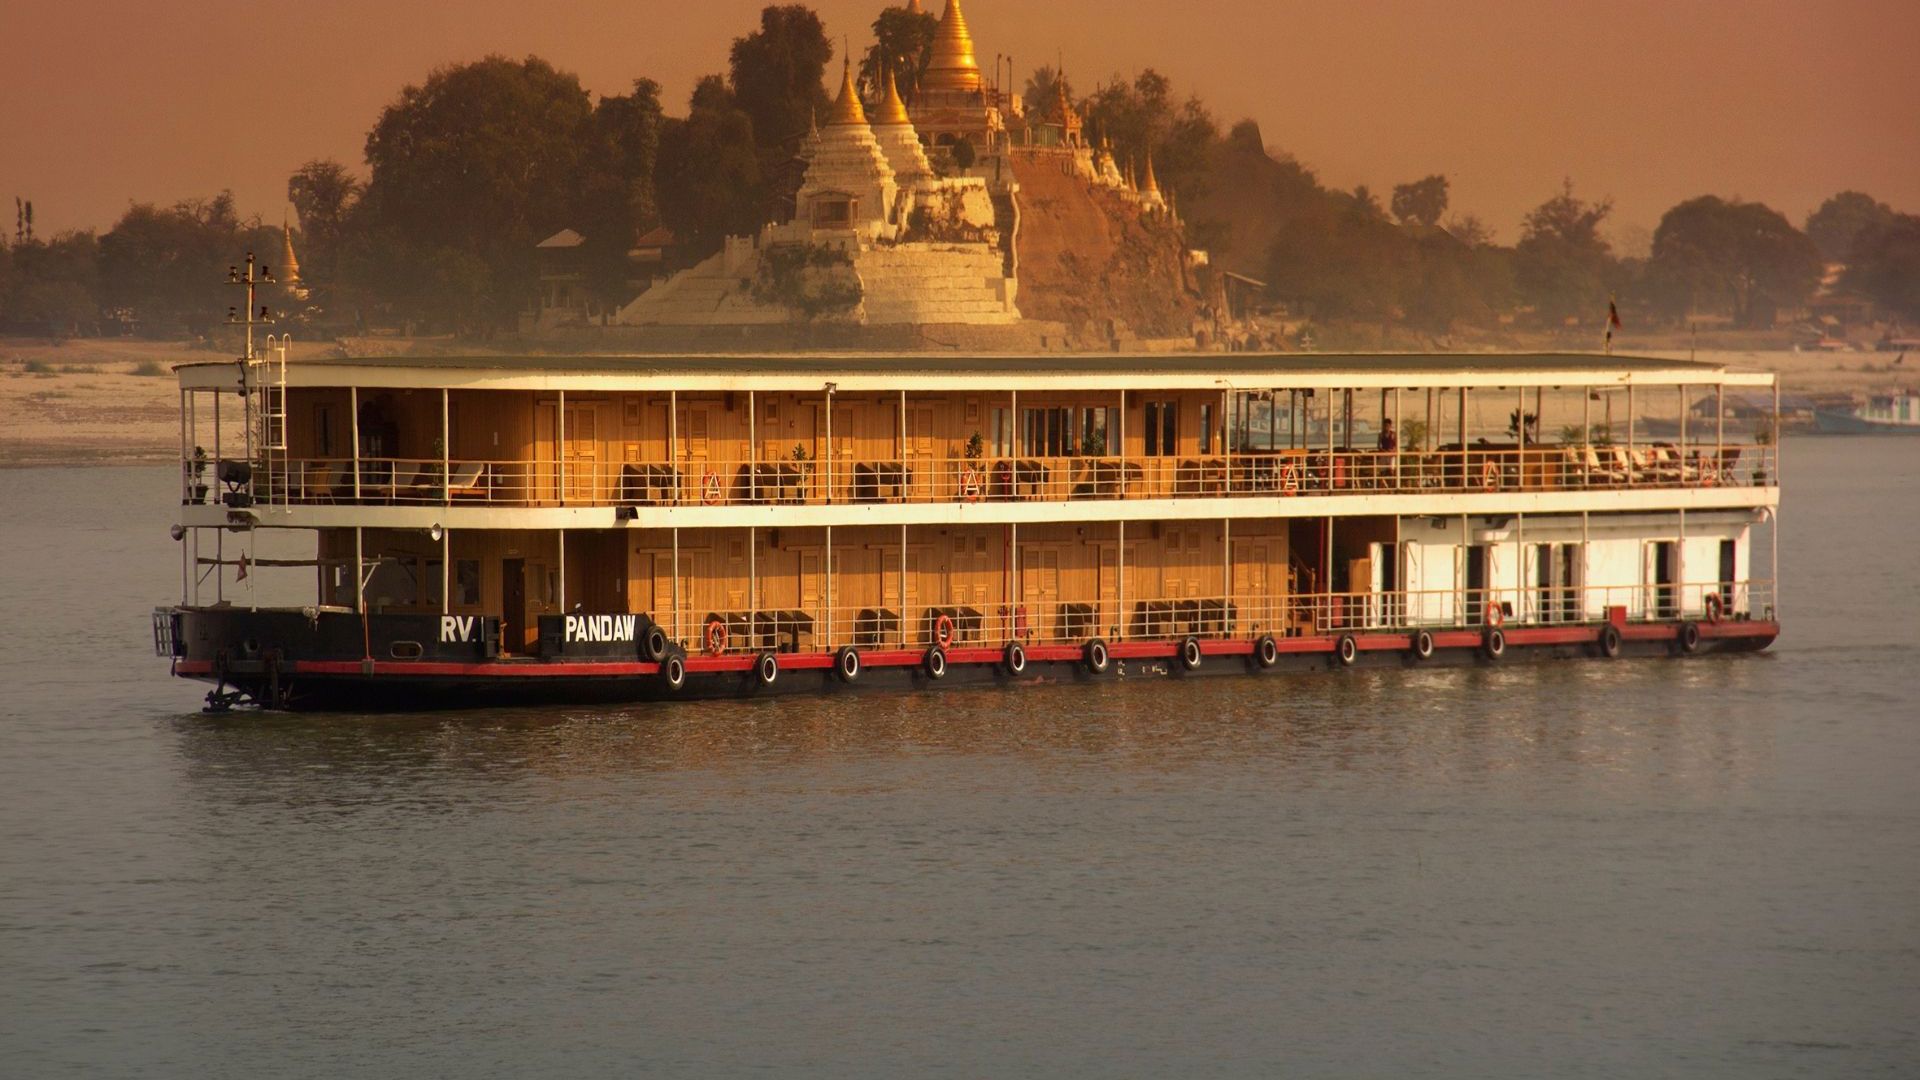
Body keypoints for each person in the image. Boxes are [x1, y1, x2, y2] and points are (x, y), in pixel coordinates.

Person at [1375, 419, 1399, 488]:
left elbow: (1396, 445)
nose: (1386, 427)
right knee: (1382, 471)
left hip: (1391, 455)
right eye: (1385, 425)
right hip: (1383, 454)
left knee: (1391, 470)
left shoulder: (1393, 434)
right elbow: (1378, 446)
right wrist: (1383, 451)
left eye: (1388, 426)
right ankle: (1383, 484)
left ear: (1390, 426)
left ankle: (1392, 485)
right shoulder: (1381, 434)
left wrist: (1392, 451)